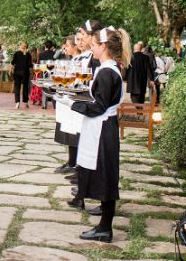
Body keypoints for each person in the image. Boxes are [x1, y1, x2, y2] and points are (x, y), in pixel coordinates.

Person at [59, 26, 131, 243]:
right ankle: (103, 225)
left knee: (106, 177)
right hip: (101, 127)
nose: (92, 49)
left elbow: (99, 106)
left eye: (94, 46)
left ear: (103, 47)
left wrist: (71, 103)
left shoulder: (108, 72)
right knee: (102, 174)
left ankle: (105, 228)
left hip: (103, 128)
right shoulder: (108, 68)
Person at [55, 23, 101, 183]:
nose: (80, 42)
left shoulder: (94, 59)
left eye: (83, 38)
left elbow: (90, 81)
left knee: (82, 135)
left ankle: (81, 168)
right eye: (78, 39)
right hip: (75, 97)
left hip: (86, 100)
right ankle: (75, 164)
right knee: (73, 132)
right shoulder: (81, 57)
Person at [11, 42, 32, 109]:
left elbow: (12, 63)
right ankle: (23, 102)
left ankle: (19, 103)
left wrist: (11, 69)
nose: (22, 47)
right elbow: (30, 65)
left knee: (19, 87)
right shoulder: (27, 54)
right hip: (23, 73)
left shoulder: (19, 53)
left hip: (19, 72)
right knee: (24, 87)